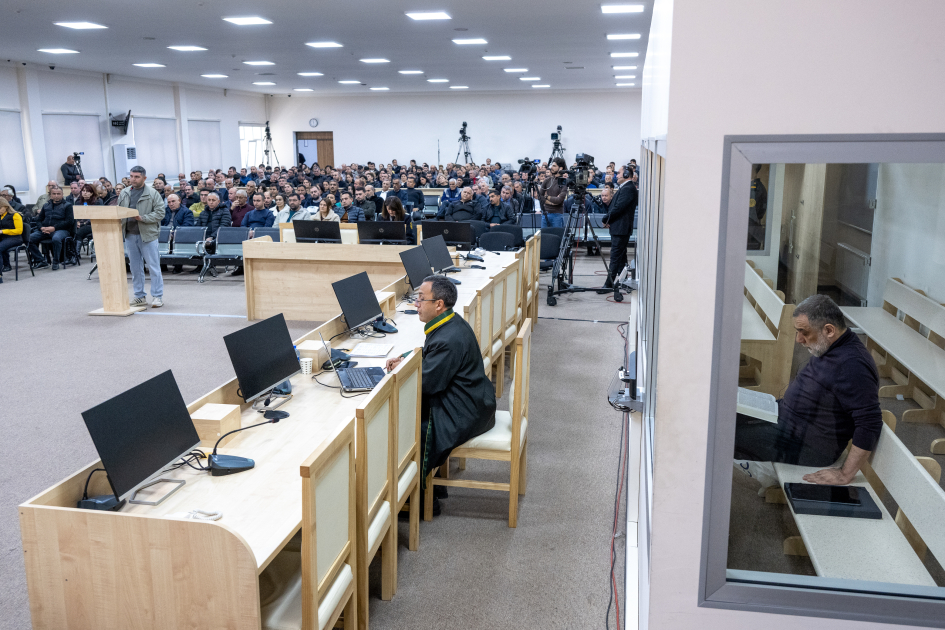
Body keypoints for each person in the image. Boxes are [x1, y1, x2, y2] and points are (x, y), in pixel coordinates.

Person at [734, 295, 883, 493]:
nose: (798, 340)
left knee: (722, 434)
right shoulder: (831, 346)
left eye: (803, 332)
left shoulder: (853, 365)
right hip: (787, 420)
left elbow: (870, 422)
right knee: (722, 412)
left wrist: (845, 474)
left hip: (808, 446)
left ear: (829, 330)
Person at [384, 275, 496, 516]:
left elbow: (427, 384)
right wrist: (406, 358)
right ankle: (424, 488)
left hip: (467, 410)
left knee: (411, 426)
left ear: (439, 304)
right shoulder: (449, 323)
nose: (416, 304)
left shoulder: (448, 338)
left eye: (421, 299)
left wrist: (399, 373)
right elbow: (431, 355)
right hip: (475, 398)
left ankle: (420, 499)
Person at [119, 166, 165, 307]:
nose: (133, 179)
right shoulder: (124, 192)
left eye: (137, 177)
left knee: (153, 267)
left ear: (144, 178)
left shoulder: (152, 193)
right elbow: (118, 211)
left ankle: (157, 296)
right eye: (131, 176)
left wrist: (142, 218)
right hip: (130, 235)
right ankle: (139, 296)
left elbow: (160, 213)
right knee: (135, 268)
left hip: (148, 235)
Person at [600, 166, 637, 301]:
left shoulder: (628, 188)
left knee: (615, 256)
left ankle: (609, 283)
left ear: (627, 174)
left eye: (619, 173)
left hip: (621, 229)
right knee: (621, 258)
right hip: (619, 228)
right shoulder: (625, 188)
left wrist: (606, 218)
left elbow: (618, 208)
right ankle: (625, 281)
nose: (616, 175)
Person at [27, 186, 74, 270]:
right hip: (45, 230)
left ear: (62, 194)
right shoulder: (46, 205)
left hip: (61, 230)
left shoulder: (68, 205)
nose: (56, 196)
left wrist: (54, 228)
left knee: (56, 239)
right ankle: (41, 260)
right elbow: (39, 220)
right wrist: (41, 228)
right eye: (54, 194)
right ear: (50, 195)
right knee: (28, 239)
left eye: (58, 194)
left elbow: (69, 222)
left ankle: (56, 262)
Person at [538, 157, 568, 228]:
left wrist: (546, 196)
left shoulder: (564, 182)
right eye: (552, 165)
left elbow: (559, 200)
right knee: (544, 234)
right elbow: (540, 196)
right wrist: (551, 202)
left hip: (557, 215)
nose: (551, 167)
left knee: (556, 234)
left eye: (554, 166)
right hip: (545, 213)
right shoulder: (547, 180)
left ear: (560, 168)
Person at [0, 198, 24, 273]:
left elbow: (19, 231)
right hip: (4, 238)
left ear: (6, 206)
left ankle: (5, 266)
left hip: (15, 238)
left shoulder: (15, 215)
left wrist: (3, 231)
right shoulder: (1, 216)